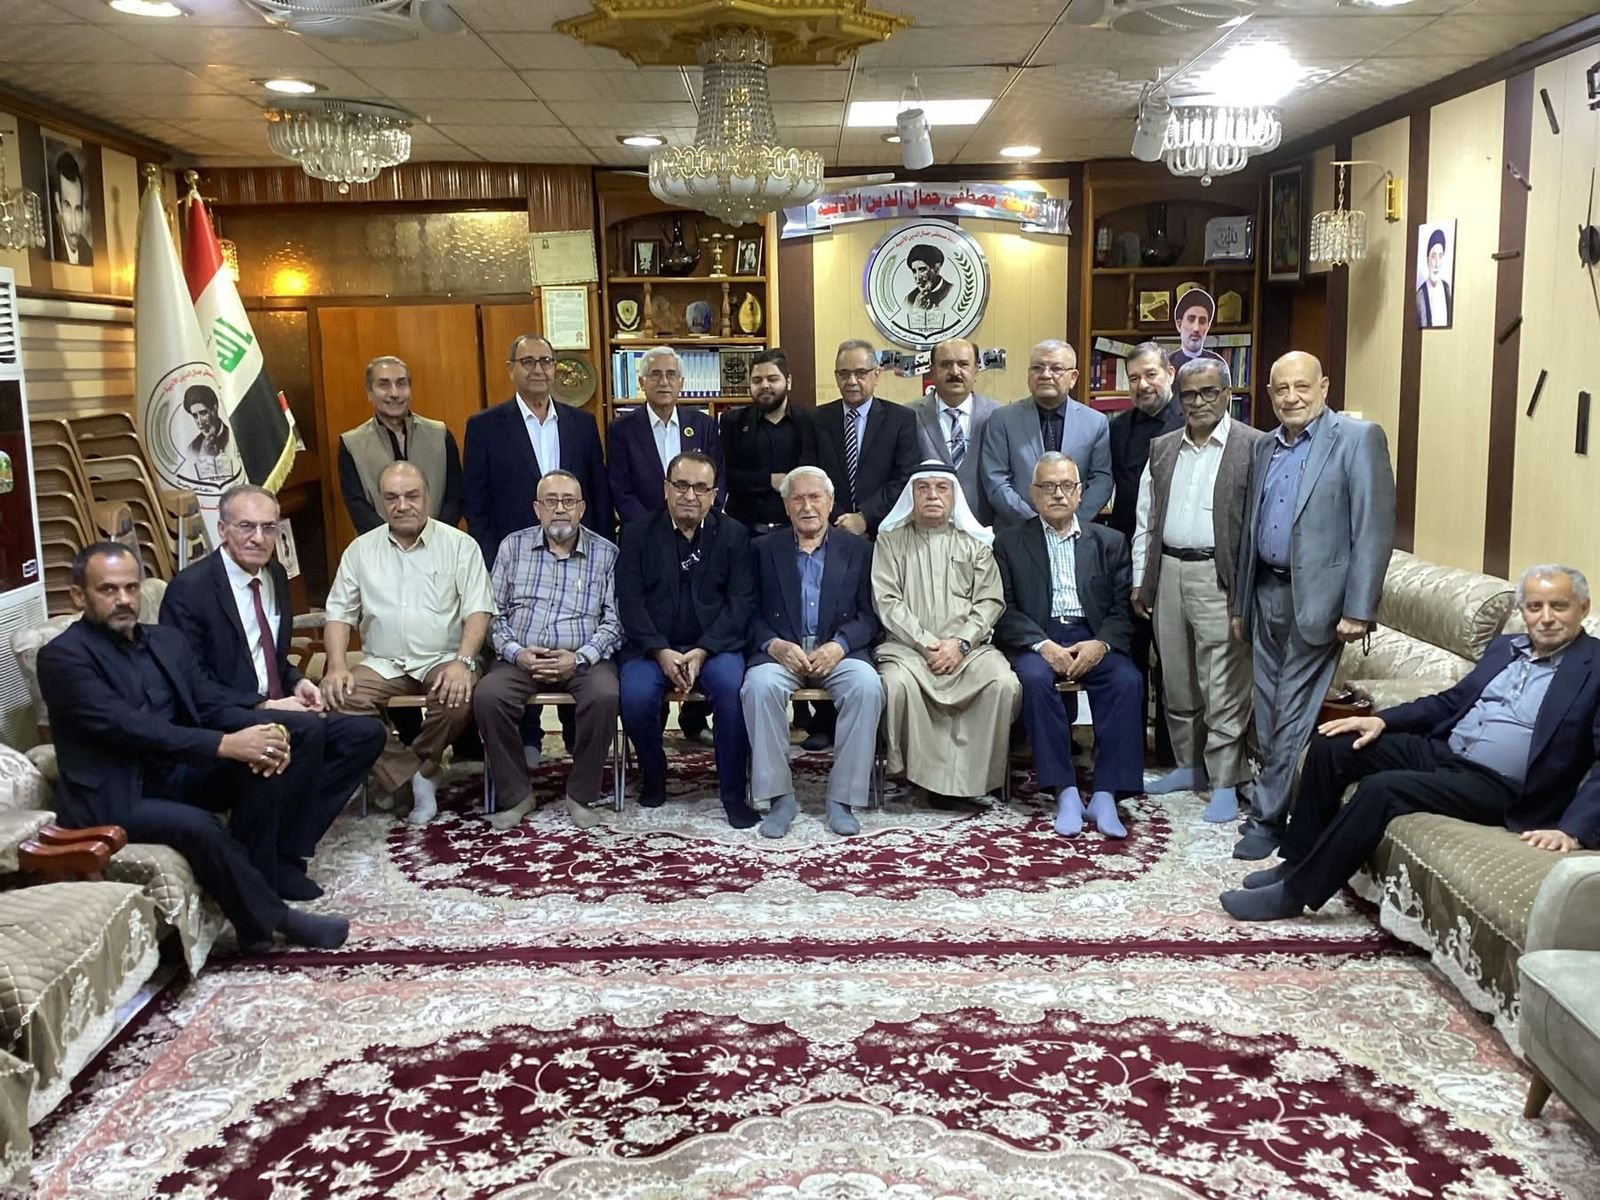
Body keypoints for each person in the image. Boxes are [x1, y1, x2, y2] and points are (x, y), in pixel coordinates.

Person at [1221, 564, 1600, 921]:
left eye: (1559, 606)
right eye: (1535, 607)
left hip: (1500, 786)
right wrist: (1381, 720)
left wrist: (1572, 829)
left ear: (1582, 609)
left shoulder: (1594, 667)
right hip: (1446, 750)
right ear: (1523, 611)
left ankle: (1294, 895)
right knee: (1334, 746)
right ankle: (1297, 861)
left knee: (1383, 789)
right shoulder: (1506, 648)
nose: (1546, 617)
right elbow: (1451, 701)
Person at [39, 543, 350, 952]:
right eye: (108, 590)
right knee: (199, 825)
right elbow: (129, 728)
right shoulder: (63, 657)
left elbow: (208, 703)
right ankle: (275, 921)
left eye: (131, 588)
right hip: (114, 794)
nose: (124, 600)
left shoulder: (165, 641)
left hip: (174, 773)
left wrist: (265, 728)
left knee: (264, 764)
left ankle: (256, 900)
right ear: (79, 596)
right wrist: (224, 744)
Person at [159, 485, 385, 894]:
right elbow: (190, 686)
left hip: (276, 703)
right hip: (219, 716)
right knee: (307, 729)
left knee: (365, 734)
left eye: (268, 528)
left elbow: (272, 657)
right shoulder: (190, 590)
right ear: (223, 530)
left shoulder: (275, 576)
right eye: (246, 527)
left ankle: (286, 842)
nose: (258, 538)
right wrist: (264, 706)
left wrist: (299, 683)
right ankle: (277, 865)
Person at [1233, 351, 1395, 860]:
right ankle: (1275, 803)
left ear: (1324, 387)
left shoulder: (1357, 439)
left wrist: (1359, 608)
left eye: (1302, 387)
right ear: (1269, 393)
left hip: (1320, 602)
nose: (1291, 398)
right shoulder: (1264, 446)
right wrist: (1240, 604)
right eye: (1281, 389)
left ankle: (1267, 819)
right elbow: (1250, 530)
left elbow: (1373, 529)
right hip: (1265, 593)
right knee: (1267, 708)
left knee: (1291, 711)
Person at [320, 462, 495, 826]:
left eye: (411, 496)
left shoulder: (460, 545)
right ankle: (413, 775)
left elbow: (478, 611)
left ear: (427, 497)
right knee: (337, 699)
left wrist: (463, 662)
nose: (402, 505)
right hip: (383, 662)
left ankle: (418, 771)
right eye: (392, 498)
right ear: (380, 501)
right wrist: (336, 665)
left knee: (458, 696)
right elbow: (338, 613)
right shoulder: (360, 550)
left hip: (443, 657)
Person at [1132, 358, 1265, 822]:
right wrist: (1141, 580)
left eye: (1209, 392)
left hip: (1218, 575)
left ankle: (1225, 780)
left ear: (1227, 395)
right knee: (1177, 678)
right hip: (1169, 571)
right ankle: (1189, 766)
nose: (1199, 402)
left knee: (1222, 682)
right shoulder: (1163, 448)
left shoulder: (1254, 446)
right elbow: (1146, 519)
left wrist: (1246, 592)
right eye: (1189, 394)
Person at [994, 454, 1143, 838]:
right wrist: (1043, 645)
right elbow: (1004, 608)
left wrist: (1101, 644)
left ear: (1080, 492)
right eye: (1047, 486)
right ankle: (1065, 790)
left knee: (1127, 680)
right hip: (1037, 638)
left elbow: (1120, 609)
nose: (1057, 494)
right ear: (1032, 493)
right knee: (1033, 680)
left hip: (1092, 636)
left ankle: (1107, 793)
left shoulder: (1110, 542)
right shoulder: (1009, 542)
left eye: (1066, 486)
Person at [615, 452, 759, 828]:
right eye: (681, 485)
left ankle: (732, 792)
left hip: (714, 647)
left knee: (733, 691)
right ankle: (654, 772)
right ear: (666, 488)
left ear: (714, 494)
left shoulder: (734, 535)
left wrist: (704, 650)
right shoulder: (636, 534)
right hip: (652, 648)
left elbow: (741, 603)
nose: (690, 495)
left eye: (700, 488)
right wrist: (660, 651)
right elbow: (630, 602)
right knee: (635, 697)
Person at [741, 466, 883, 838]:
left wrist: (840, 645)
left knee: (867, 686)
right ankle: (779, 797)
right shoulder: (761, 549)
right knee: (759, 686)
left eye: (815, 497)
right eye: (798, 499)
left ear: (831, 502)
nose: (807, 506)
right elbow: (746, 611)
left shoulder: (859, 549)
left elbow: (871, 616)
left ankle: (842, 799)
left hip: (839, 651)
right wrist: (774, 644)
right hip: (781, 651)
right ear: (786, 506)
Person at [477, 471, 622, 833]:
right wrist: (517, 653)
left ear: (582, 509)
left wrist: (581, 657)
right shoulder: (512, 547)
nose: (560, 509)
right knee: (488, 696)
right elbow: (492, 613)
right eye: (551, 501)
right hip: (521, 656)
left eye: (568, 501)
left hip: (583, 658)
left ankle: (580, 794)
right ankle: (517, 794)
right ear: (537, 508)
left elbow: (615, 622)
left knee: (605, 695)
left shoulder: (606, 553)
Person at [873, 461, 1020, 805]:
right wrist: (927, 644)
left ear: (955, 497)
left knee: (1003, 683)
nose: (932, 495)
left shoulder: (975, 544)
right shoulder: (890, 542)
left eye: (942, 488)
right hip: (908, 651)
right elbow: (887, 601)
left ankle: (977, 776)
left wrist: (962, 643)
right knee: (895, 684)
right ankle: (915, 775)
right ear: (911, 496)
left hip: (969, 651)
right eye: (923, 488)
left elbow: (990, 601)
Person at [463, 334, 610, 564]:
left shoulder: (583, 424)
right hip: (514, 558)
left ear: (554, 368)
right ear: (511, 369)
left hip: (578, 555)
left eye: (546, 361)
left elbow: (599, 496)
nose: (538, 370)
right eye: (528, 362)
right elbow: (476, 505)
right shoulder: (484, 427)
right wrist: (492, 561)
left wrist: (601, 555)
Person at [1107, 342, 1183, 766]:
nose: (1142, 385)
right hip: (1128, 557)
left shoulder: (1191, 421)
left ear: (1169, 374)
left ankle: (1173, 755)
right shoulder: (1118, 428)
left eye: (1150, 374)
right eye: (1134, 378)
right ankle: (1130, 750)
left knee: (1173, 663)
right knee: (1130, 658)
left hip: (1175, 558)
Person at [982, 339, 1112, 527]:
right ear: (1029, 374)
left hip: (1076, 531)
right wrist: (1035, 525)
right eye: (1037, 368)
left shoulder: (1095, 423)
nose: (1045, 375)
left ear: (1073, 377)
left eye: (1056, 369)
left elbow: (1101, 480)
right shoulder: (1003, 419)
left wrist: (1071, 523)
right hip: (1017, 531)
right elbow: (996, 481)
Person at [339, 355, 464, 536]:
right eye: (384, 384)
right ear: (369, 392)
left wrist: (433, 538)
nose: (394, 393)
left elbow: (455, 496)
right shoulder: (352, 444)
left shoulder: (440, 434)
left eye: (401, 383)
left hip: (439, 543)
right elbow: (357, 506)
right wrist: (394, 542)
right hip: (379, 547)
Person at [808, 339, 919, 538]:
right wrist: (840, 519)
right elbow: (811, 475)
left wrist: (864, 517)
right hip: (830, 531)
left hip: (885, 532)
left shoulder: (901, 419)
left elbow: (904, 478)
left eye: (860, 373)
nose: (851, 381)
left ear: (876, 375)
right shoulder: (816, 419)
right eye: (844, 374)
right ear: (836, 377)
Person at [608, 346, 721, 527]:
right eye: (655, 375)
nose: (664, 382)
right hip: (644, 531)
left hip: (698, 528)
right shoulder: (621, 429)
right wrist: (650, 528)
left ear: (681, 383)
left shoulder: (703, 425)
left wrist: (703, 522)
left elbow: (717, 480)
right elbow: (621, 490)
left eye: (671, 375)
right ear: (641, 382)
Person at [719, 348, 816, 535]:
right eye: (757, 380)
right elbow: (726, 475)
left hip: (795, 529)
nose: (764, 385)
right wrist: (769, 480)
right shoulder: (733, 422)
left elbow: (813, 472)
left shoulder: (809, 421)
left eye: (772, 379)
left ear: (788, 382)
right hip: (744, 529)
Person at [911, 337, 999, 526]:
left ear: (976, 370)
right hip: (926, 529)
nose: (955, 372)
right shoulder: (909, 415)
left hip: (985, 527)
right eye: (946, 364)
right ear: (932, 371)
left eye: (963, 364)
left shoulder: (998, 415)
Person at [50, 150, 91, 266]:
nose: (73, 227)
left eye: (77, 210)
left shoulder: (87, 251)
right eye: (67, 207)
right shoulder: (53, 245)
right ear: (58, 203)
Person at [1169, 288, 1224, 372]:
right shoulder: (1166, 365)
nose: (1196, 328)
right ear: (1179, 325)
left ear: (1208, 326)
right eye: (1191, 320)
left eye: (1202, 321)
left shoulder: (1217, 364)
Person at [1415, 228, 1452, 328]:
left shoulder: (1447, 289)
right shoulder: (1420, 296)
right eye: (1433, 256)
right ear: (1428, 260)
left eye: (1440, 256)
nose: (1437, 263)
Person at [184, 385, 230, 457]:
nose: (200, 422)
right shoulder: (193, 448)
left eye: (203, 413)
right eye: (195, 416)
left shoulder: (231, 434)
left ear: (215, 409)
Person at [904, 244, 954, 309]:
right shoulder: (909, 299)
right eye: (914, 271)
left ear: (936, 268)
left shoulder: (952, 292)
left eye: (922, 270)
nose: (918, 278)